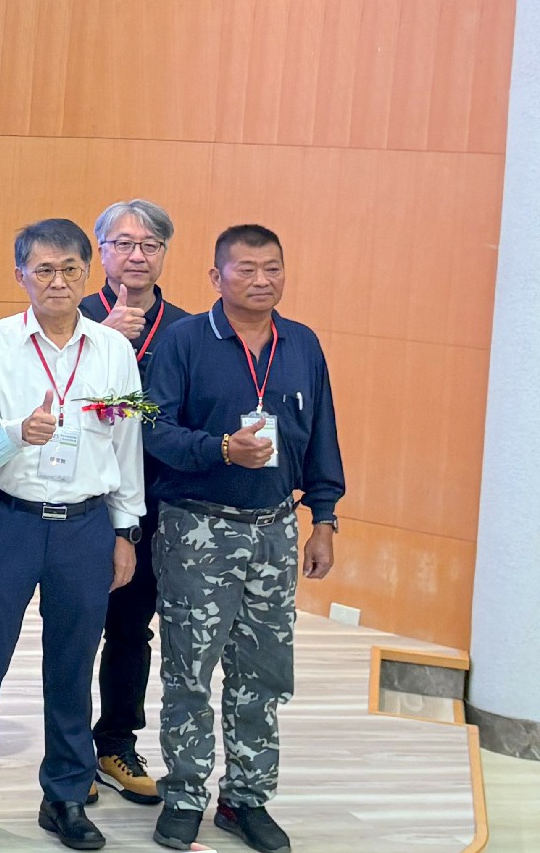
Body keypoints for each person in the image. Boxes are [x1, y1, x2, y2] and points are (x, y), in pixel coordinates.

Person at [0, 220, 145, 851]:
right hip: (9, 520)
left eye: (71, 270)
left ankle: (65, 797)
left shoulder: (112, 349)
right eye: (44, 270)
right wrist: (17, 434)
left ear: (88, 274)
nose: (58, 282)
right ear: (20, 276)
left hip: (86, 525)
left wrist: (125, 529)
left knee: (73, 666)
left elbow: (127, 443)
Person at [142, 225, 343, 853]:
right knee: (190, 671)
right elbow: (152, 429)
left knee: (263, 672)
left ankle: (246, 799)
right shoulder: (183, 341)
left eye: (273, 268)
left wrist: (325, 518)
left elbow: (323, 435)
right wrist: (221, 449)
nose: (262, 280)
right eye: (247, 268)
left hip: (275, 530)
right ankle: (184, 795)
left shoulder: (302, 343)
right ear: (217, 276)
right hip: (197, 526)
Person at [80, 200, 187, 808]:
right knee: (74, 630)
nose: (136, 255)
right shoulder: (74, 317)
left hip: (154, 504)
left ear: (165, 253)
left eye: (150, 245)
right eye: (123, 243)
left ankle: (116, 743)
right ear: (102, 252)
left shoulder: (189, 330)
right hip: (80, 498)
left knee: (130, 630)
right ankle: (69, 751)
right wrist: (103, 341)